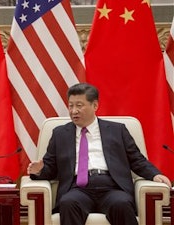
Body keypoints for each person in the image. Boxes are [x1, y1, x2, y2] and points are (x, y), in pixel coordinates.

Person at [27, 83, 171, 225]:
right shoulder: (60, 134)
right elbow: (50, 168)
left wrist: (154, 174)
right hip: (77, 188)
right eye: (70, 106)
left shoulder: (117, 130)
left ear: (95, 106)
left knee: (121, 204)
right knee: (68, 203)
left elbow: (136, 159)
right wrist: (39, 171)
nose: (73, 111)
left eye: (79, 105)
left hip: (112, 186)